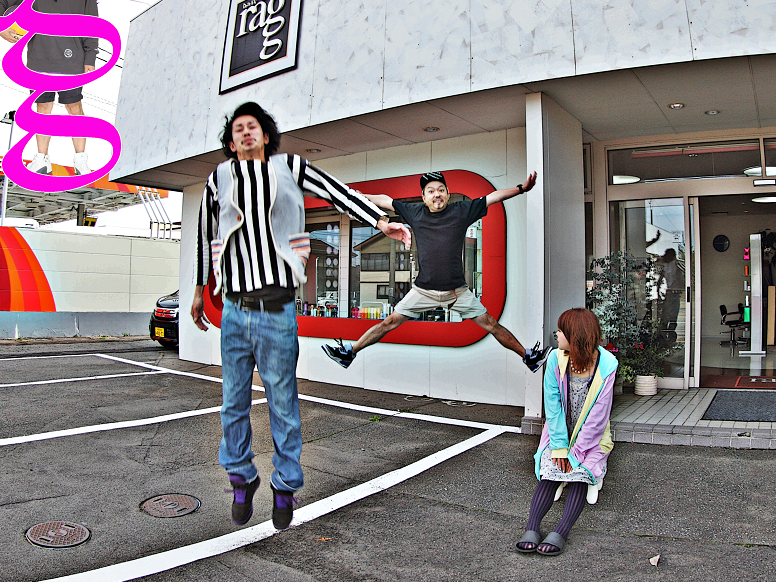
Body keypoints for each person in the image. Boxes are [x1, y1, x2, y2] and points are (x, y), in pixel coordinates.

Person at [189, 102, 411, 530]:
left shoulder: (289, 167)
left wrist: (380, 222)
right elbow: (204, 234)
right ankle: (241, 477)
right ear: (231, 142)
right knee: (232, 402)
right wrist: (199, 291)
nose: (246, 132)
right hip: (234, 310)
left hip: (277, 310)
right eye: (238, 129)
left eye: (253, 126)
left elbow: (337, 192)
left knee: (282, 402)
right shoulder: (218, 178)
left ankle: (286, 484)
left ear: (266, 135)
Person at [321, 170, 546, 371]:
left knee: (491, 324)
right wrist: (358, 197)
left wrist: (521, 189)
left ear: (447, 194)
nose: (436, 194)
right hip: (423, 290)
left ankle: (529, 357)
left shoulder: (462, 210)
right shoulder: (415, 212)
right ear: (423, 197)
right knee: (389, 322)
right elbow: (386, 201)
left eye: (441, 190)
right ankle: (349, 353)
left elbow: (493, 197)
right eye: (431, 191)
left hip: (456, 291)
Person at [0, 0, 98, 175]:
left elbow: (92, 19)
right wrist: (0, 27)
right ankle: (42, 159)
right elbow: (1, 2)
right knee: (43, 109)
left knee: (75, 108)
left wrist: (90, 56)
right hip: (39, 58)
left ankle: (81, 161)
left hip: (72, 60)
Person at [516, 307, 616, 556]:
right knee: (551, 470)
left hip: (591, 439)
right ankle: (532, 527)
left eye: (561, 331)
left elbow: (598, 418)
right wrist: (560, 447)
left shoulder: (607, 365)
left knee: (579, 473)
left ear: (576, 336)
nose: (557, 335)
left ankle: (561, 531)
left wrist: (575, 453)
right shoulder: (555, 359)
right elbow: (552, 407)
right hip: (559, 431)